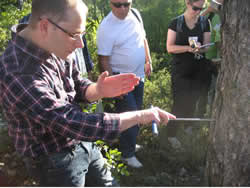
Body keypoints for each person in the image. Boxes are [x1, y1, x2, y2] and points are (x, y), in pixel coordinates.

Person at [0, 0, 175, 186]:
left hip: (83, 144)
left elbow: (75, 83)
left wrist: (96, 90)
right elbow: (70, 122)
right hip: (55, 161)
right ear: (44, 26)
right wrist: (139, 116)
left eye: (81, 35)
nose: (80, 45)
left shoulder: (52, 40)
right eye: (74, 35)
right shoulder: (19, 72)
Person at [97, 0, 152, 168]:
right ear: (109, 3)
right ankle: (127, 155)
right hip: (121, 79)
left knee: (136, 112)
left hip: (139, 76)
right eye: (117, 4)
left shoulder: (135, 14)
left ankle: (129, 144)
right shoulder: (106, 27)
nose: (123, 9)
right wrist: (113, 84)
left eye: (126, 4)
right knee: (131, 114)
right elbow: (103, 59)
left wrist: (148, 60)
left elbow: (143, 38)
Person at [166, 0, 211, 148]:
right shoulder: (176, 23)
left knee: (193, 100)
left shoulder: (205, 22)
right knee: (179, 102)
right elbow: (170, 47)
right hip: (181, 70)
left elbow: (207, 46)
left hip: (199, 69)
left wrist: (200, 48)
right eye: (195, 8)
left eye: (201, 8)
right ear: (187, 3)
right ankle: (171, 134)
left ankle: (187, 127)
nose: (198, 11)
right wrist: (187, 48)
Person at [201, 0, 223, 115]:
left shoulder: (224, 16)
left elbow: (220, 43)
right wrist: (208, 10)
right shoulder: (213, 16)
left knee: (215, 92)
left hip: (220, 62)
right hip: (209, 61)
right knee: (209, 92)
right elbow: (192, 20)